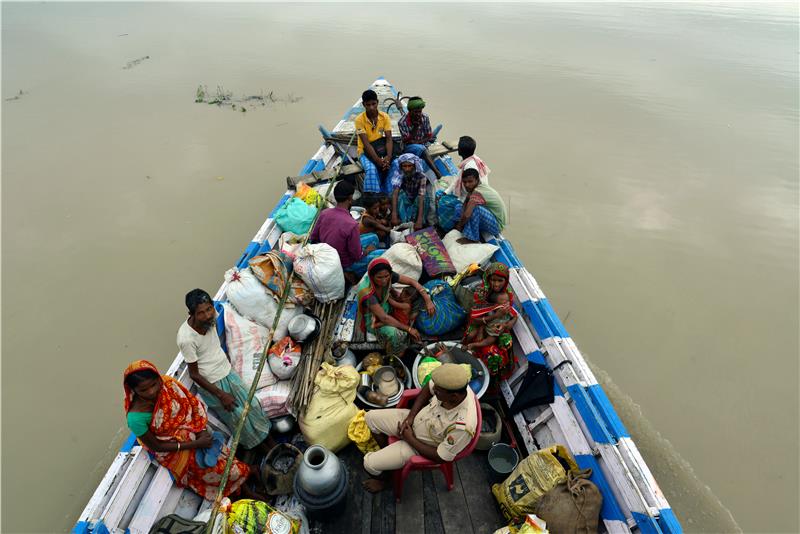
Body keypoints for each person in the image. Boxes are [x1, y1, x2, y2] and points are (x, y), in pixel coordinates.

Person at [123, 360, 264, 501]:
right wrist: (196, 444)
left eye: (154, 384)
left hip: (196, 431)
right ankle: (248, 477)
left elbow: (191, 404)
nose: (151, 392)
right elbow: (156, 446)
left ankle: (246, 485)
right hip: (175, 451)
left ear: (158, 378)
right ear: (133, 390)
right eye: (143, 390)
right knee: (216, 470)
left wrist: (201, 431)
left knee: (224, 459)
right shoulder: (135, 418)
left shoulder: (168, 384)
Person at [177, 289, 273, 454]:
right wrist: (221, 395)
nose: (207, 315)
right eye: (201, 313)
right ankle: (264, 452)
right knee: (239, 419)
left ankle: (272, 442)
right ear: (191, 314)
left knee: (253, 407)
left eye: (209, 309)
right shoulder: (186, 339)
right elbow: (194, 374)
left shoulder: (211, 319)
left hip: (228, 372)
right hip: (213, 384)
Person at [361, 363, 478, 493]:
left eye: (438, 391)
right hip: (413, 422)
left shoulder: (462, 427)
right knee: (369, 417)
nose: (435, 390)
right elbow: (428, 388)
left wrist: (410, 439)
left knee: (369, 464)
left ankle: (385, 479)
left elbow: (441, 457)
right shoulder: (456, 386)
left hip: (420, 446)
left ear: (453, 397)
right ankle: (388, 455)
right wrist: (410, 417)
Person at [356, 258, 435, 359]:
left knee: (421, 295)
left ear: (390, 273)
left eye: (386, 276)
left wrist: (428, 300)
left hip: (387, 307)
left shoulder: (389, 277)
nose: (384, 280)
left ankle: (409, 323)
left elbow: (412, 281)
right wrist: (409, 329)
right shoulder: (368, 294)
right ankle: (394, 356)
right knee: (397, 334)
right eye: (379, 277)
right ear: (372, 277)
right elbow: (384, 318)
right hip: (375, 319)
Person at [309, 180, 383, 280]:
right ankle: (350, 272)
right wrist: (367, 251)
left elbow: (313, 238)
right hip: (344, 263)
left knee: (374, 237)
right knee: (383, 254)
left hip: (327, 255)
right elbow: (357, 256)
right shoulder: (352, 224)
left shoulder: (324, 213)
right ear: (350, 198)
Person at [462, 262, 517, 379]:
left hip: (498, 325)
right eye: (493, 280)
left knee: (507, 342)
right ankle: (472, 354)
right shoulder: (480, 293)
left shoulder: (508, 294)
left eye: (500, 281)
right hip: (479, 324)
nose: (496, 284)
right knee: (478, 341)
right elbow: (473, 319)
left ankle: (496, 378)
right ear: (488, 279)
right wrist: (493, 317)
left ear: (505, 281)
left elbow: (513, 316)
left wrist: (506, 326)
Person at [355, 89, 396, 194]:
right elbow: (366, 144)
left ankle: (389, 193)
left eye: (373, 104)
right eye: (368, 105)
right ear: (363, 104)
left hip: (380, 149)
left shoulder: (384, 117)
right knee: (371, 169)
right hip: (364, 152)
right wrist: (378, 161)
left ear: (377, 102)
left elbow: (388, 139)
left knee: (395, 164)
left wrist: (388, 157)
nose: (371, 107)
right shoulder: (359, 120)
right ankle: (374, 197)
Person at [454, 168, 507, 243]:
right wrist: (458, 225)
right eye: (464, 182)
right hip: (489, 217)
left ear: (477, 180)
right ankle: (460, 229)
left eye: (470, 181)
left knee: (476, 209)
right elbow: (465, 203)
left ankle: (472, 238)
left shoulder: (478, 192)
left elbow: (467, 215)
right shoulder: (476, 187)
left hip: (497, 225)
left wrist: (460, 225)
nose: (467, 185)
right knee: (459, 206)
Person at [397, 96, 441, 178]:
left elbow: (428, 136)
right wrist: (416, 128)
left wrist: (418, 142)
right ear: (409, 111)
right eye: (415, 112)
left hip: (423, 144)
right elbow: (406, 141)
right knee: (420, 148)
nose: (418, 114)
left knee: (422, 147)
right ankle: (437, 172)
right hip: (408, 148)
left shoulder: (425, 117)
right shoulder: (402, 122)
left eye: (420, 111)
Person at [390, 153, 432, 231]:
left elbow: (421, 197)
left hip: (418, 200)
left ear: (414, 166)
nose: (407, 169)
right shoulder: (400, 175)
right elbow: (395, 193)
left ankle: (421, 222)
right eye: (404, 166)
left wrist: (419, 220)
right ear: (401, 167)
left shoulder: (422, 177)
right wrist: (394, 214)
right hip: (407, 200)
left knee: (425, 198)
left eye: (410, 166)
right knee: (398, 194)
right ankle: (404, 223)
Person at [444, 135, 491, 200]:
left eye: (458, 147)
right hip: (472, 194)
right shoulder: (473, 159)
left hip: (471, 198)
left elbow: (472, 188)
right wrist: (446, 192)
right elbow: (457, 179)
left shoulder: (469, 166)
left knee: (444, 203)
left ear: (460, 150)